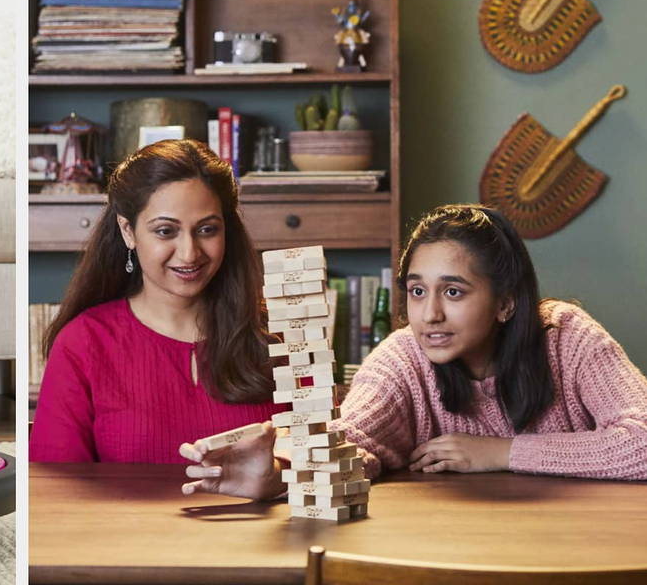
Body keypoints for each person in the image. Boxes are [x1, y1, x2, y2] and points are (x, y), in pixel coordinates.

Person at [182, 204, 647, 497]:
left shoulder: (567, 337)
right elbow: (356, 440)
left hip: (578, 547)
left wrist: (500, 452)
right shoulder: (403, 357)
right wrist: (283, 468)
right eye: (417, 291)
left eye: (455, 292)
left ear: (505, 302)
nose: (429, 316)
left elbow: (642, 443)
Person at [30, 139, 287, 489]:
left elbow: (329, 461)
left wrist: (276, 480)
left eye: (207, 229)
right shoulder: (83, 343)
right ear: (128, 231)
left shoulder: (280, 336)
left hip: (260, 541)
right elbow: (51, 490)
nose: (189, 253)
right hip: (122, 542)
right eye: (166, 231)